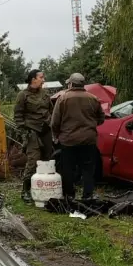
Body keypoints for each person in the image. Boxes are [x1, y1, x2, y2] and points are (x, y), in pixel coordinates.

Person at [50, 73, 104, 201]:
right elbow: (101, 118)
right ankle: (87, 195)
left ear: (71, 84)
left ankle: (69, 195)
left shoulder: (63, 99)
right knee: (88, 169)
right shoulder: (93, 98)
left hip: (68, 140)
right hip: (88, 140)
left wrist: (56, 135)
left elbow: (54, 122)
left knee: (68, 169)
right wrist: (90, 126)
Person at [13, 69, 54, 202]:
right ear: (33, 79)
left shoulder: (45, 94)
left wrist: (52, 124)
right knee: (33, 161)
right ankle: (25, 190)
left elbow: (51, 110)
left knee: (47, 160)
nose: (43, 80)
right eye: (41, 77)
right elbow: (18, 116)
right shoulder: (23, 95)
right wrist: (24, 132)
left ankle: (43, 188)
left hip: (46, 131)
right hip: (32, 132)